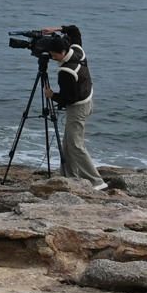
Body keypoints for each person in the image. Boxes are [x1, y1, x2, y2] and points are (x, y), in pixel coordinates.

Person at [42, 25, 107, 190]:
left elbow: (69, 98)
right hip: (88, 100)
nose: (52, 57)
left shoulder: (66, 72)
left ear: (62, 53)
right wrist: (56, 29)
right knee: (68, 143)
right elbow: (75, 31)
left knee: (76, 145)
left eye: (53, 54)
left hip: (78, 108)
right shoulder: (78, 50)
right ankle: (70, 177)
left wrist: (52, 95)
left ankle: (97, 182)